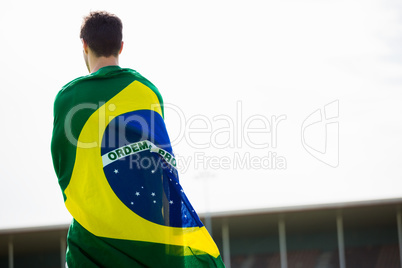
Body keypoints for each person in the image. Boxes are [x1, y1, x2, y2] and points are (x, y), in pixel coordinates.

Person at [51, 11, 225, 268]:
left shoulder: (68, 98)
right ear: (120, 46)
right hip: (148, 238)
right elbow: (157, 161)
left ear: (85, 46)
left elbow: (64, 167)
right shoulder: (147, 92)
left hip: (93, 242)